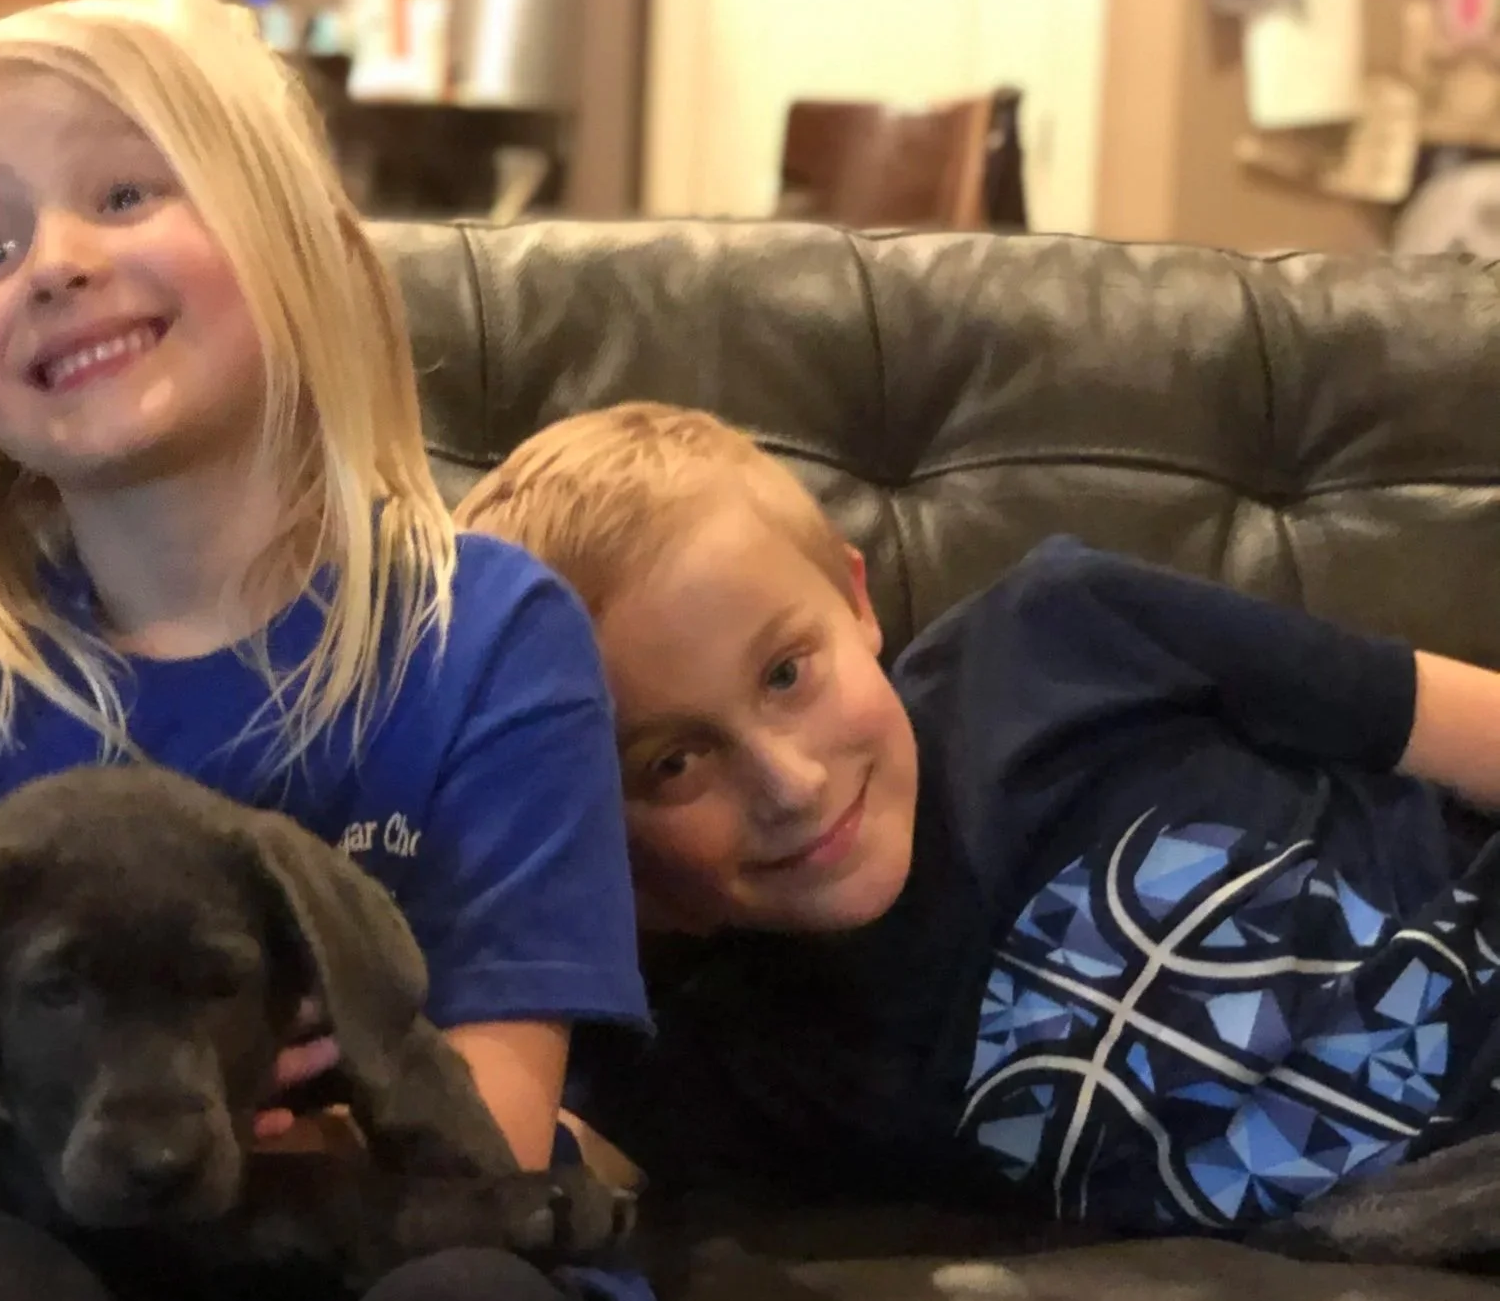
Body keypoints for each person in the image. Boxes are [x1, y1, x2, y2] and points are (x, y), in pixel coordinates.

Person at [0, 0, 654, 1301]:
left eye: (123, 192)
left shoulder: (483, 633)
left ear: (306, 251)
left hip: (389, 1291)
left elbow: (491, 1143)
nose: (53, 261)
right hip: (59, 1284)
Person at [453, 399, 1500, 1238]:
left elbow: (1458, 723)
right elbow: (476, 1162)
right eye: (674, 761)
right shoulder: (723, 1058)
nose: (789, 781)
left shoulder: (1061, 634)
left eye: (785, 672)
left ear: (854, 598)